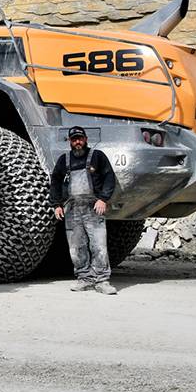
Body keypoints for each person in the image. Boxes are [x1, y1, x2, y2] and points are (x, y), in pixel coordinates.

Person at [49, 126, 118, 295]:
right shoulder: (64, 160)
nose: (77, 142)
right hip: (72, 208)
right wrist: (56, 204)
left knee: (99, 245)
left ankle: (102, 280)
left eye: (80, 139)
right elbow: (55, 182)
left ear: (86, 139)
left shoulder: (97, 157)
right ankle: (84, 278)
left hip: (93, 207)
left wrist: (103, 199)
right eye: (74, 139)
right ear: (70, 141)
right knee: (76, 246)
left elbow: (109, 177)